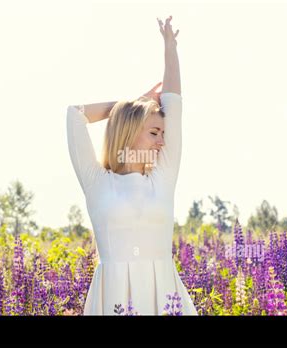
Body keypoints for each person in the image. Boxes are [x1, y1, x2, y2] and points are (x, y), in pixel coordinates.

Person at [66, 16, 197, 315]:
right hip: (112, 297)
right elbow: (75, 115)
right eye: (153, 132)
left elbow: (173, 103)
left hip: (164, 295)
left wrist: (170, 48)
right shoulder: (97, 181)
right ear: (128, 129)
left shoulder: (162, 177)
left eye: (162, 134)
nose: (161, 142)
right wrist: (129, 107)